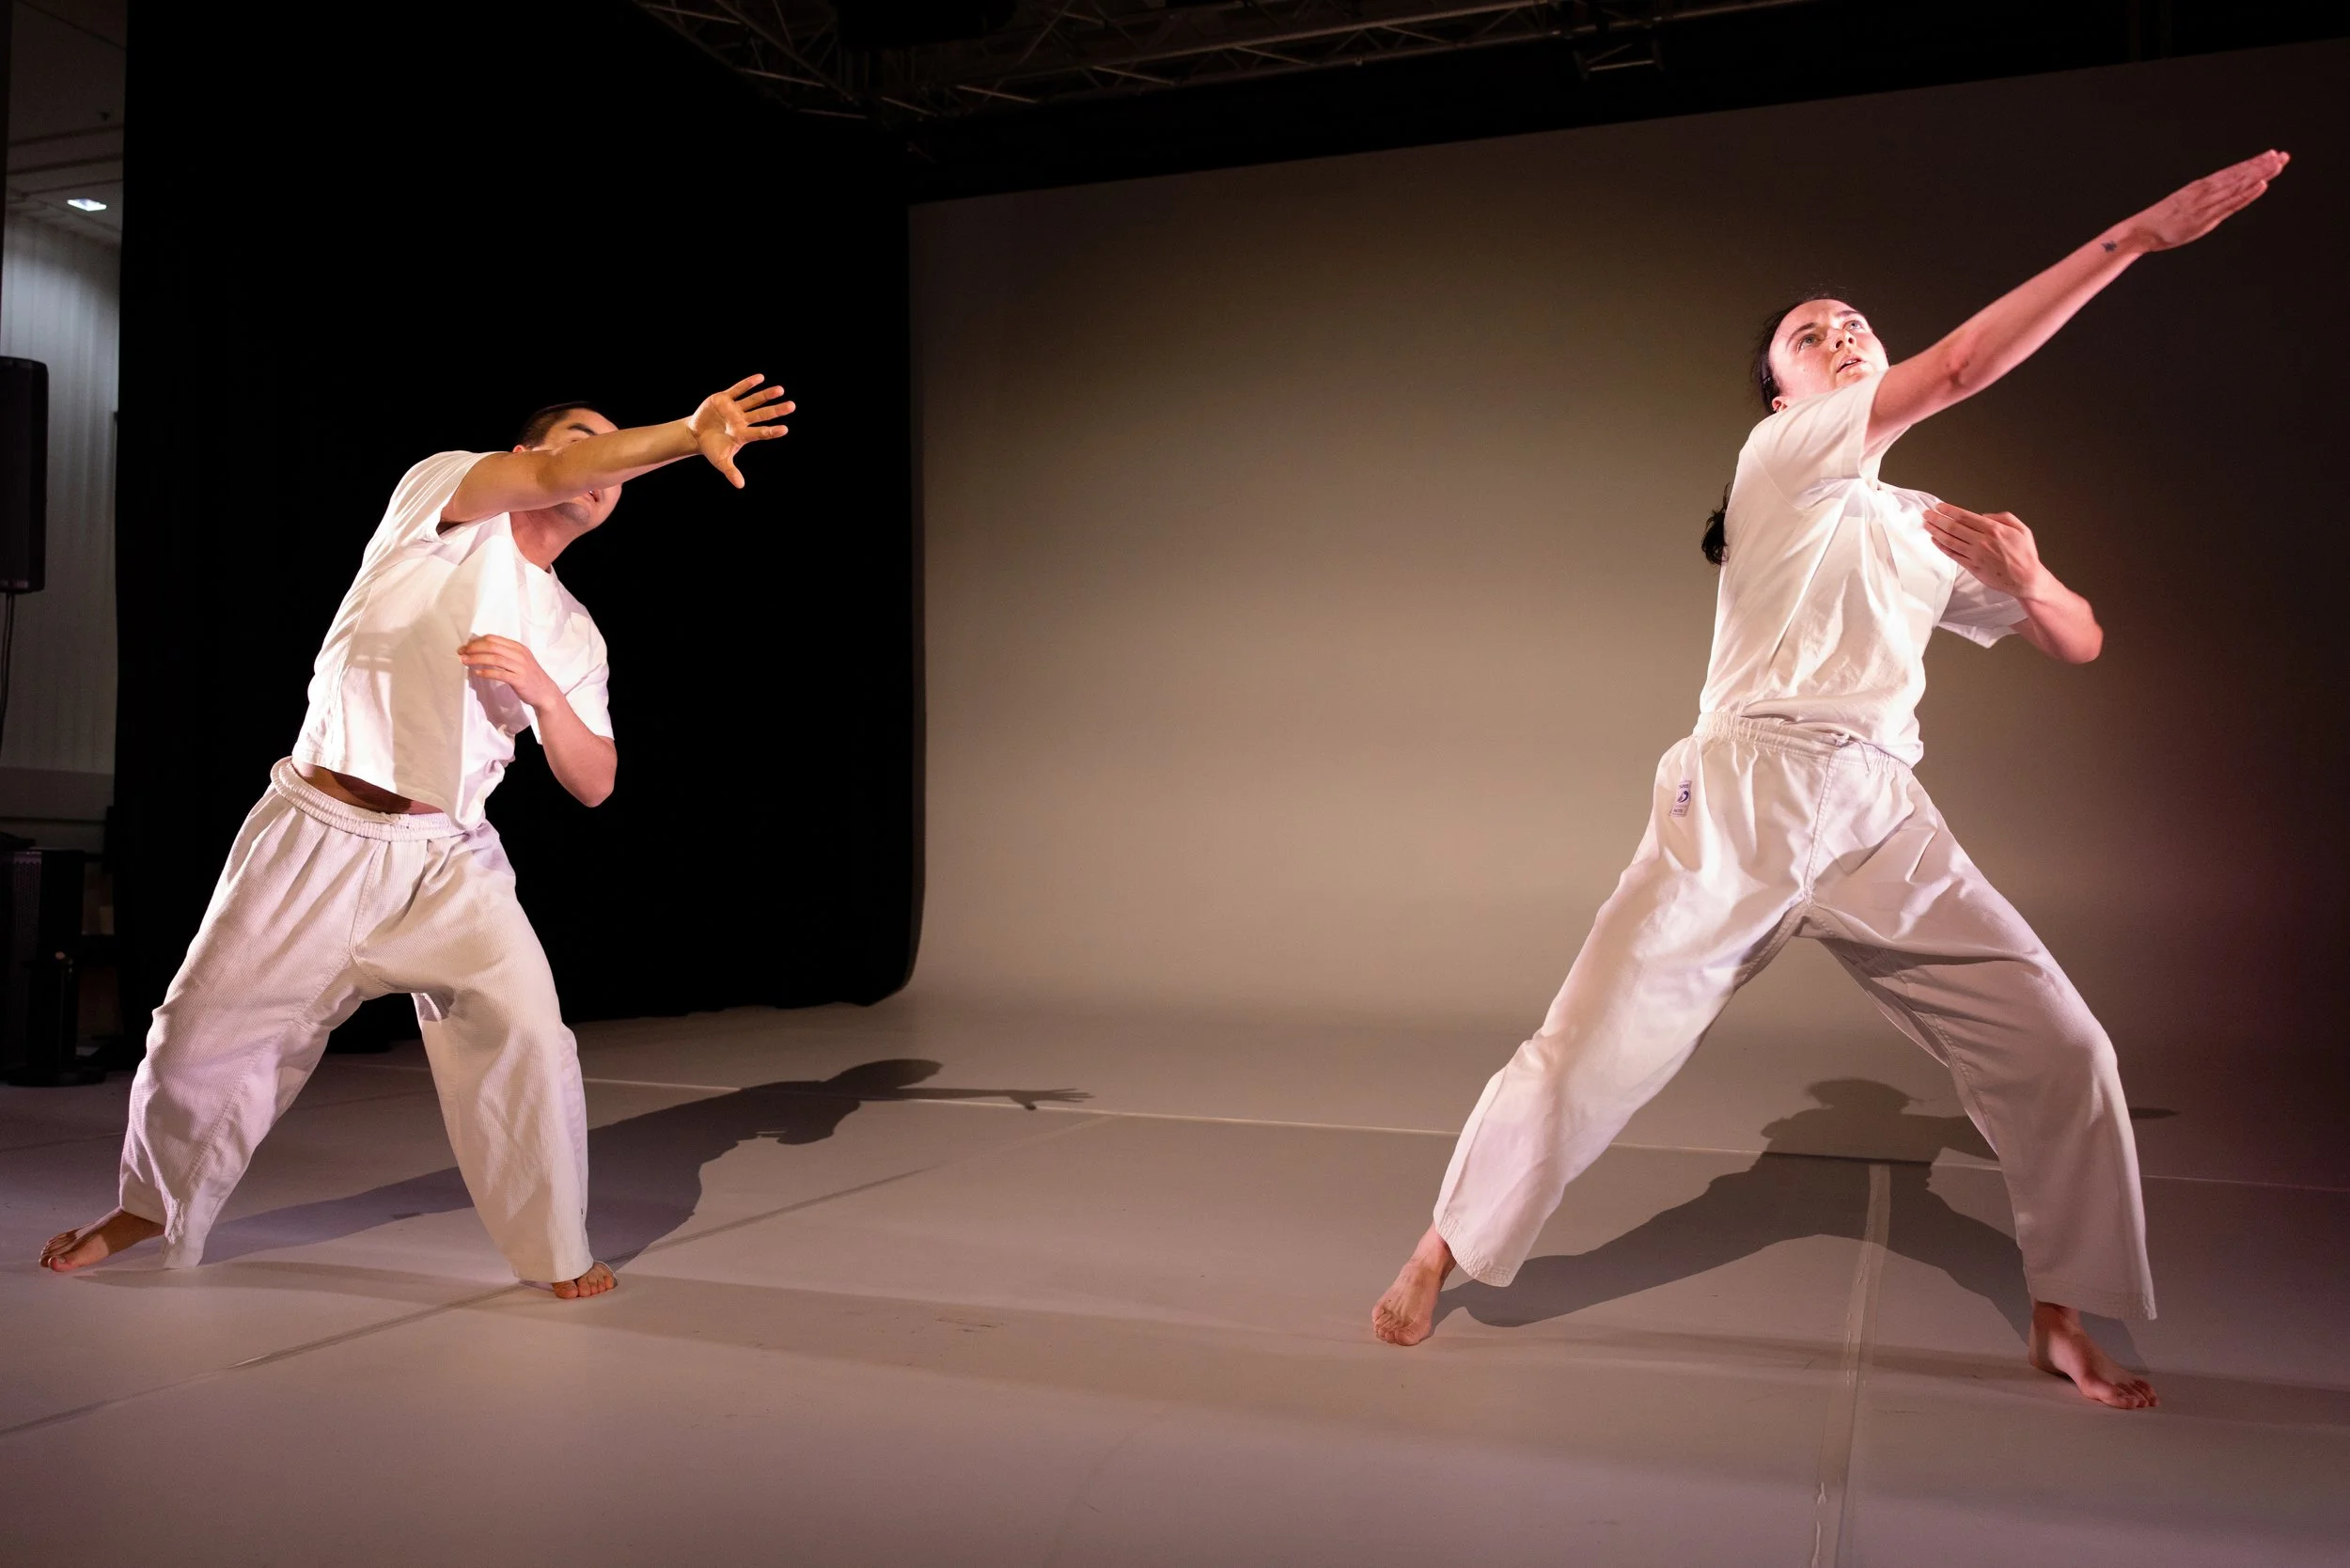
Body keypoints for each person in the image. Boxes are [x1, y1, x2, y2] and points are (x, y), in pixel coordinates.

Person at [1371, 150, 2290, 1408]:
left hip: (1878, 814)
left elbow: (2080, 642)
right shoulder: (1782, 458)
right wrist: (2129, 239)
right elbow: (1958, 368)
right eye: (1811, 334)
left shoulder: (1918, 519)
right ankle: (1439, 1250)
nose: (1841, 334)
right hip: (1741, 799)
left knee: (2065, 1048)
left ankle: (2062, 1318)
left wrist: (2032, 582)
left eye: (1854, 322)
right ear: (1781, 392)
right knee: (1588, 1047)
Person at [39, 374, 793, 1298]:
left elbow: (595, 781)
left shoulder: (572, 632)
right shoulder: (444, 500)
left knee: (528, 1036)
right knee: (198, 1037)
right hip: (318, 833)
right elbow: (557, 471)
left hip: (448, 860)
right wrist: (684, 431)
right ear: (525, 457)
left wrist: (544, 694)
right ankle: (149, 1207)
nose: (605, 467)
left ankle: (556, 1249)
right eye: (585, 441)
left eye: (617, 458)